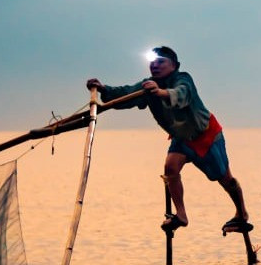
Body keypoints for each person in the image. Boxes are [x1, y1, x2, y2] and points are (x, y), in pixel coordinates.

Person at [85, 46, 252, 236]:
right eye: (152, 62)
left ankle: (242, 214)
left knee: (224, 178)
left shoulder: (183, 79)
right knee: (170, 167)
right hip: (181, 138)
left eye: (161, 61)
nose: (155, 65)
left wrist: (162, 93)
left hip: (206, 135)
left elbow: (182, 94)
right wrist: (103, 89)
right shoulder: (147, 85)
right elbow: (126, 95)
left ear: (174, 65)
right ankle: (181, 215)